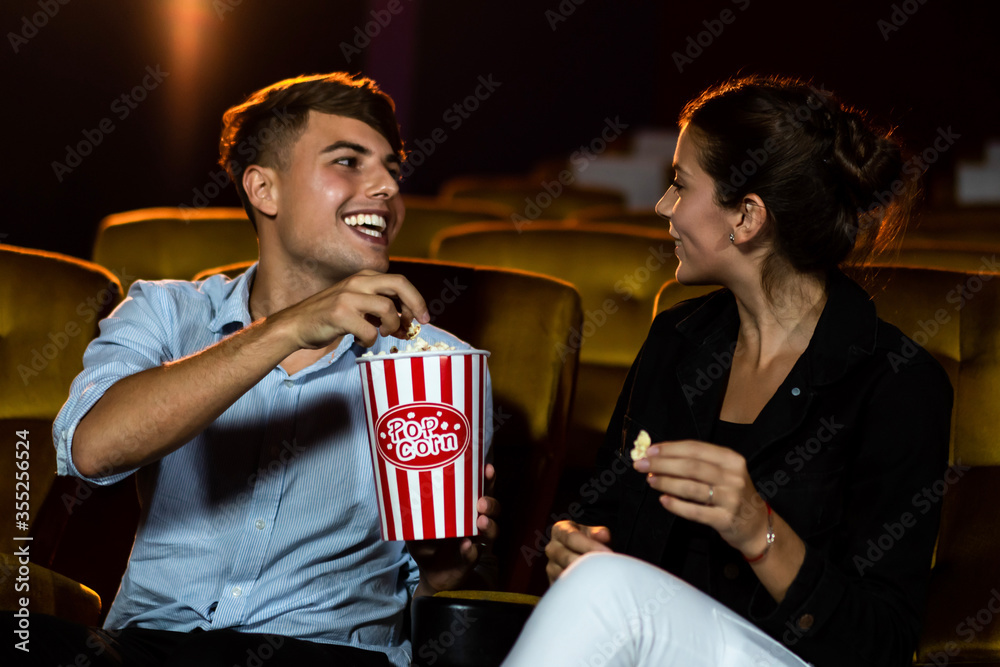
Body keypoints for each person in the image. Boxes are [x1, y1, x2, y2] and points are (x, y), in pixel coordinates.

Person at [29, 72, 498, 667]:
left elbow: (427, 592)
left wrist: (442, 576)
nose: (385, 186)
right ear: (263, 190)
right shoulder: (167, 311)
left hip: (324, 655)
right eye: (349, 162)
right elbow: (92, 449)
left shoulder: (437, 364)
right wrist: (288, 329)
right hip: (150, 646)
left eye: (391, 170)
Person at [503, 75, 952, 667]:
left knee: (604, 593)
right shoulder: (677, 339)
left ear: (747, 215)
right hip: (652, 648)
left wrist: (756, 528)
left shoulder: (897, 382)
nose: (663, 207)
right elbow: (602, 511)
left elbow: (883, 645)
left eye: (680, 185)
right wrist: (576, 543)